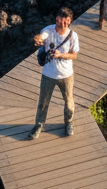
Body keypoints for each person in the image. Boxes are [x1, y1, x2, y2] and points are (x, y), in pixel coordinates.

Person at [27, 7, 79, 140]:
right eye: (60, 20)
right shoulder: (48, 30)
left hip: (66, 75)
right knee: (43, 102)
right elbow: (41, 37)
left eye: (66, 21)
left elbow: (74, 55)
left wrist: (61, 54)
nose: (62, 23)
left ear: (69, 21)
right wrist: (37, 39)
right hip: (48, 74)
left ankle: (68, 123)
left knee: (68, 102)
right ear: (56, 19)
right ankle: (38, 125)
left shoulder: (73, 36)